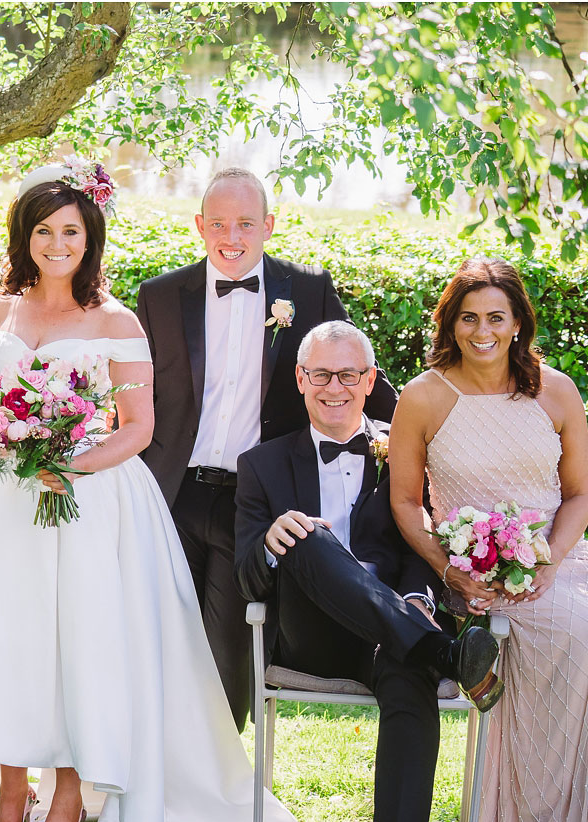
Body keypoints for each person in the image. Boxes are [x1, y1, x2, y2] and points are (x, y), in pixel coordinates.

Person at [0, 162, 300, 822]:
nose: (56, 243)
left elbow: (137, 427)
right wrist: (7, 443)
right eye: (43, 230)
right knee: (7, 640)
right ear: (26, 236)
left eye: (70, 230)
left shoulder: (116, 320)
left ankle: (70, 792)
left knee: (80, 644)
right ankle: (14, 787)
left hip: (86, 500)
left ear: (89, 237)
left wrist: (62, 463)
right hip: (2, 501)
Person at [389, 257, 588, 822]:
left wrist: (550, 559)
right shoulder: (424, 397)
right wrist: (449, 568)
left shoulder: (555, 390)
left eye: (496, 318)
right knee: (572, 641)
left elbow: (580, 494)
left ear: (517, 323)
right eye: (468, 318)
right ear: (450, 324)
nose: (482, 331)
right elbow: (407, 500)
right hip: (470, 570)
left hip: (556, 559)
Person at [234, 320, 502, 822]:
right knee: (305, 534)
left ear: (370, 380)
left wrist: (419, 600)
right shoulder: (261, 466)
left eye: (349, 375)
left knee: (408, 679)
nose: (335, 387)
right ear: (301, 380)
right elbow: (247, 576)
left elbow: (417, 552)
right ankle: (446, 653)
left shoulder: (401, 452)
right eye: (322, 374)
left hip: (389, 632)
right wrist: (272, 544)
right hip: (314, 638)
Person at [136, 167, 398, 732]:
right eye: (220, 223)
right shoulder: (158, 295)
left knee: (231, 649)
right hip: (170, 494)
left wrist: (401, 435)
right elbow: (135, 394)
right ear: (199, 225)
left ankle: (218, 785)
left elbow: (352, 372)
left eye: (246, 223)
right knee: (154, 636)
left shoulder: (306, 289)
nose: (232, 236)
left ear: (269, 226)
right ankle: (152, 775)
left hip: (252, 500)